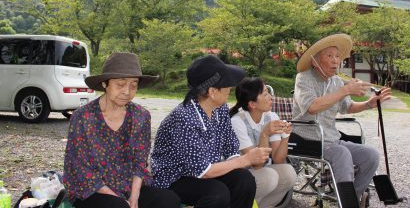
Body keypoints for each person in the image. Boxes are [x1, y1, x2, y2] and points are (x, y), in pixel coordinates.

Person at [151, 55, 272, 208]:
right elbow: (203, 171)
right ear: (212, 91)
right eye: (227, 84)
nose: (230, 88)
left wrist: (247, 159)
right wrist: (246, 159)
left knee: (244, 179)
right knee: (217, 193)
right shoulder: (184, 118)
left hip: (205, 171)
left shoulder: (220, 109)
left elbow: (230, 147)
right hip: (174, 177)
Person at [63, 52, 181, 208]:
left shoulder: (141, 116)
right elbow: (80, 169)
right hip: (92, 189)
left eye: (133, 85)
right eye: (120, 84)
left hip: (127, 185)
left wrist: (134, 197)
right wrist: (120, 201)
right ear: (105, 84)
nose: (127, 91)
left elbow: (140, 162)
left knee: (169, 200)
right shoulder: (83, 117)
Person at [292, 34, 391, 204]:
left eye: (337, 56)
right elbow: (312, 106)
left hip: (331, 139)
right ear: (315, 61)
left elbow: (347, 107)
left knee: (371, 155)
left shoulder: (337, 82)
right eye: (329, 56)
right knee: (342, 154)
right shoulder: (304, 78)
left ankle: (349, 199)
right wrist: (345, 90)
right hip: (307, 138)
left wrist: (369, 104)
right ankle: (347, 201)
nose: (335, 61)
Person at [230, 77, 297, 208]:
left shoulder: (271, 116)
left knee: (289, 173)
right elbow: (257, 165)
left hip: (261, 172)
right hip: (241, 177)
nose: (271, 97)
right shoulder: (237, 121)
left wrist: (286, 135)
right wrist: (265, 134)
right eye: (265, 94)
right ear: (252, 104)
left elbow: (278, 159)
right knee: (269, 176)